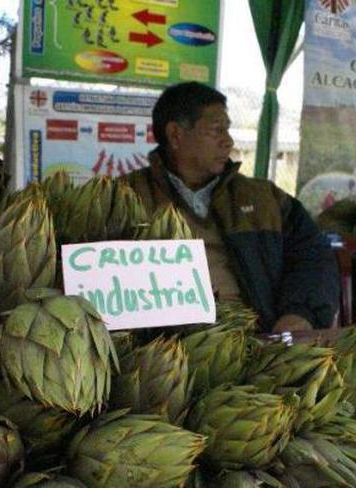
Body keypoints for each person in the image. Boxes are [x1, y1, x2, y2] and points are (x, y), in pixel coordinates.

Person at [124, 82, 339, 333]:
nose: (228, 141)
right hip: (161, 348)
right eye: (216, 130)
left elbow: (314, 255)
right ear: (175, 135)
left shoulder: (265, 200)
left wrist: (300, 312)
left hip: (256, 340)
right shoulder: (122, 198)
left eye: (227, 130)